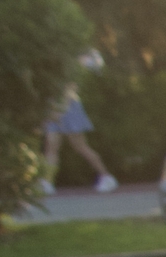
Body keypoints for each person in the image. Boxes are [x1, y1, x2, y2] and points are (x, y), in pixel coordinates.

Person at [42, 50, 117, 195]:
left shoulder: (71, 66)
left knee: (80, 146)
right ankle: (47, 182)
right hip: (53, 107)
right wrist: (52, 109)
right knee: (51, 145)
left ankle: (106, 177)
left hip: (69, 107)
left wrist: (59, 109)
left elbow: (70, 88)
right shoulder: (48, 66)